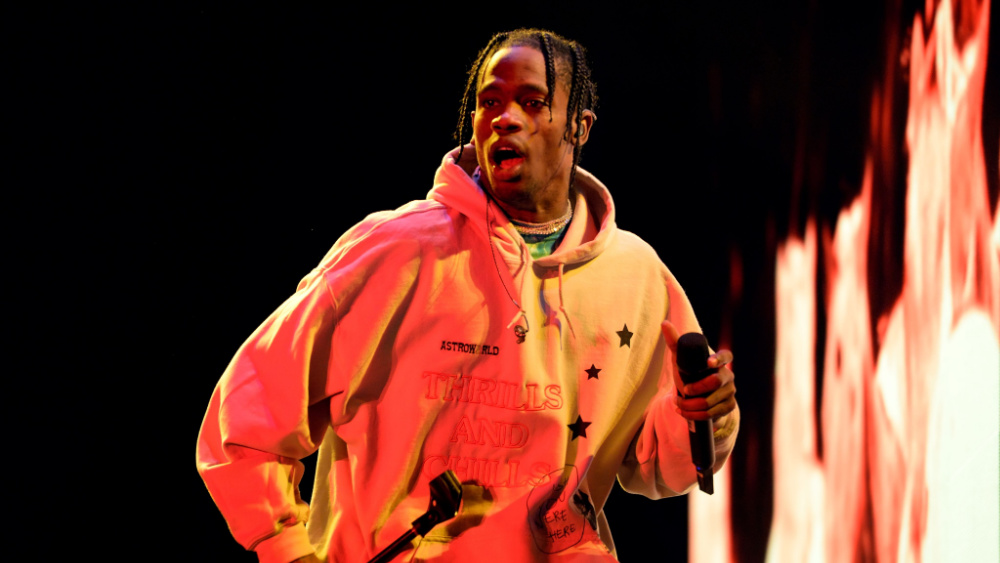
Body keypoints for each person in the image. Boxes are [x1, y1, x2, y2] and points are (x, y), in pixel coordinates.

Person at [197, 28, 739, 563]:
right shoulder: (393, 251)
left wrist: (700, 416)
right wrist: (287, 551)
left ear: (580, 126)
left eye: (532, 102)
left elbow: (656, 468)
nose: (505, 118)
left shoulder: (636, 277)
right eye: (490, 102)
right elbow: (244, 420)